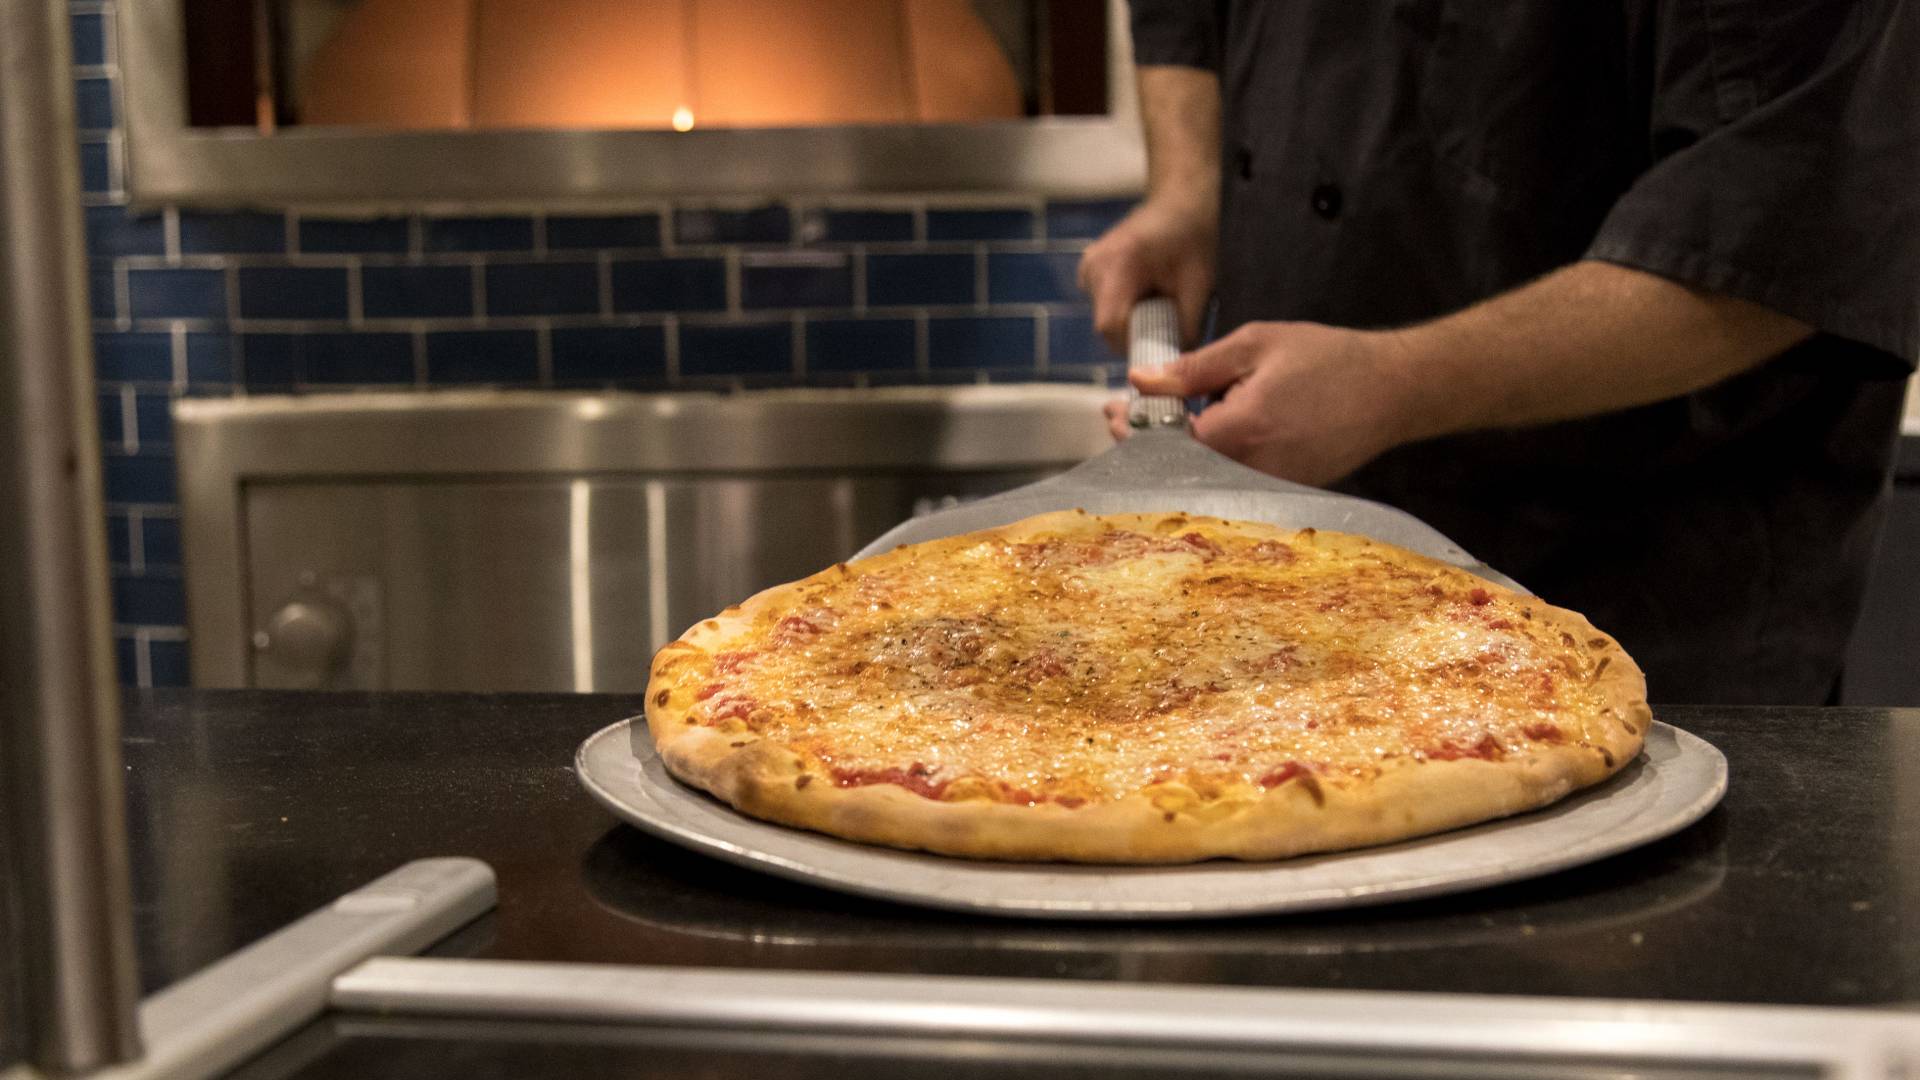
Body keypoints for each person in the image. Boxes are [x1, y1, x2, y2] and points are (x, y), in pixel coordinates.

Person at [1079, 3, 1919, 705]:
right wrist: (1187, 189)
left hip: (1642, 598)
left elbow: (1789, 237)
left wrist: (1395, 383)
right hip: (1276, 579)